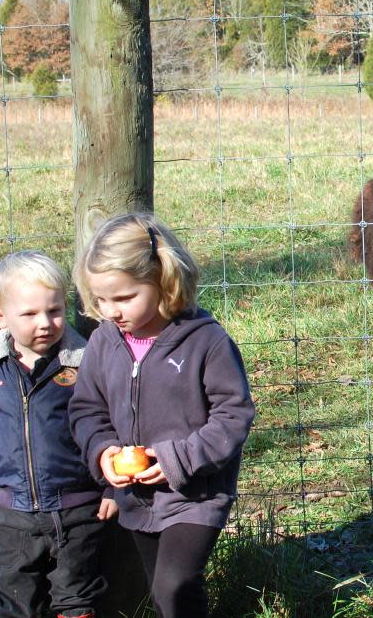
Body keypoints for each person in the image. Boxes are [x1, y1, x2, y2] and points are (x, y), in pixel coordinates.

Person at [69, 212, 255, 618]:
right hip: (136, 496)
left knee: (175, 585)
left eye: (124, 298)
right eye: (101, 299)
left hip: (196, 493)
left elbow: (233, 413)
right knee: (164, 594)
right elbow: (87, 409)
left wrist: (177, 460)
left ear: (163, 279)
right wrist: (103, 453)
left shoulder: (205, 341)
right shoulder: (104, 343)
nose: (111, 311)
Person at [0, 250, 117, 618]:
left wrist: (113, 486)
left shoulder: (86, 364)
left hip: (79, 508)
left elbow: (112, 424)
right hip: (15, 513)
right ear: (0, 317)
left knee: (77, 593)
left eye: (54, 310)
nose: (45, 322)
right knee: (15, 595)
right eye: (29, 314)